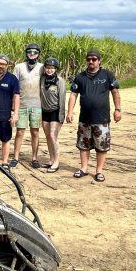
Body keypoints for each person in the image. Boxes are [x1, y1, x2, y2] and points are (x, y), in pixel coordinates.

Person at [66, 50, 121, 182]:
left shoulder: (107, 75)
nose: (91, 61)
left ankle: (99, 171)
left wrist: (118, 109)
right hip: (84, 118)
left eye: (94, 59)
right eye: (89, 59)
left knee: (101, 145)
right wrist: (69, 112)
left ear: (99, 61)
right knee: (83, 144)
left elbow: (115, 92)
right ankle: (84, 168)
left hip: (101, 119)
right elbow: (73, 95)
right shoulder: (80, 77)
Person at [10, 43, 44, 168]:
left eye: (34, 52)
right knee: (20, 132)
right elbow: (14, 86)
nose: (32, 54)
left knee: (35, 132)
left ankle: (34, 158)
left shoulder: (42, 67)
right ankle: (16, 157)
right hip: (22, 105)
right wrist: (13, 106)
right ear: (26, 53)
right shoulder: (19, 67)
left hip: (37, 105)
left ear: (38, 54)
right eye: (29, 52)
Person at [40, 58, 66, 173]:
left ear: (56, 69)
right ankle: (51, 160)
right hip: (45, 111)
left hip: (56, 111)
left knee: (53, 136)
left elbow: (62, 100)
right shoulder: (42, 79)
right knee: (47, 136)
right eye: (47, 68)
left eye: (52, 68)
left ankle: (56, 162)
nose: (49, 70)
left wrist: (61, 117)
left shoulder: (60, 81)